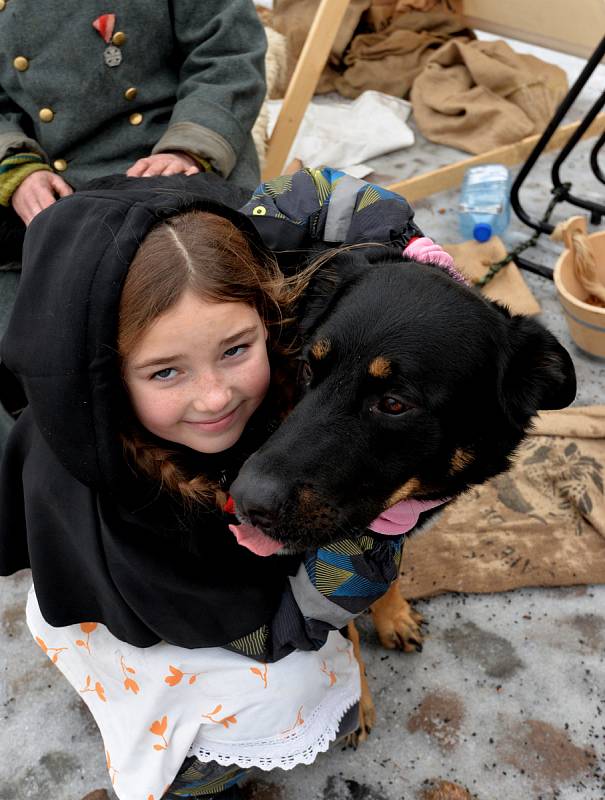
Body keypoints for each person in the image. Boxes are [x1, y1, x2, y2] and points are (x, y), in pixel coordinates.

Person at [0, 168, 455, 799]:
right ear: (104, 375)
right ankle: (204, 773)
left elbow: (325, 200)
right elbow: (277, 622)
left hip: (218, 568)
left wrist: (413, 259)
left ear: (267, 317)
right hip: (169, 614)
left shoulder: (279, 359)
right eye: (165, 372)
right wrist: (371, 534)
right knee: (278, 687)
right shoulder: (109, 495)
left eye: (237, 349)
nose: (215, 397)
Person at [0, 0, 268, 451]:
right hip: (54, 186)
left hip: (170, 162)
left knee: (203, 311)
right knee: (32, 351)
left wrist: (188, 148)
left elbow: (229, 53)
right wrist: (16, 167)